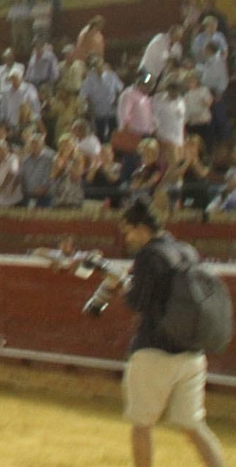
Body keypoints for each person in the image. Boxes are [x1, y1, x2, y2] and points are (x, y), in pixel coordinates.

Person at [86, 199, 226, 467]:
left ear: (141, 228)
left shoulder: (149, 255)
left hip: (154, 351)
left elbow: (137, 302)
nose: (127, 238)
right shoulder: (186, 250)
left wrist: (119, 284)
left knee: (142, 424)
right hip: (192, 353)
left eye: (128, 231)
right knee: (194, 425)